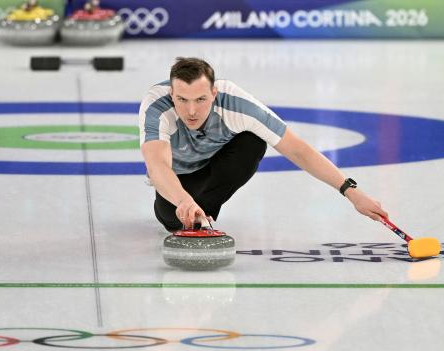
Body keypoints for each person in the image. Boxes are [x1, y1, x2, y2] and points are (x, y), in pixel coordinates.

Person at [139, 57, 387, 231]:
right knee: (172, 220)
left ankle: (205, 210)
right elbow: (158, 165)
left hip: (216, 169)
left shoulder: (237, 104)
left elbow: (298, 150)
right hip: (177, 179)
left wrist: (353, 194)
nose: (191, 110)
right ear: (172, 94)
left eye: (201, 99)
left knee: (254, 141)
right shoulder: (156, 107)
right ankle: (192, 209)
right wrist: (183, 201)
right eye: (182, 99)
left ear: (214, 93)